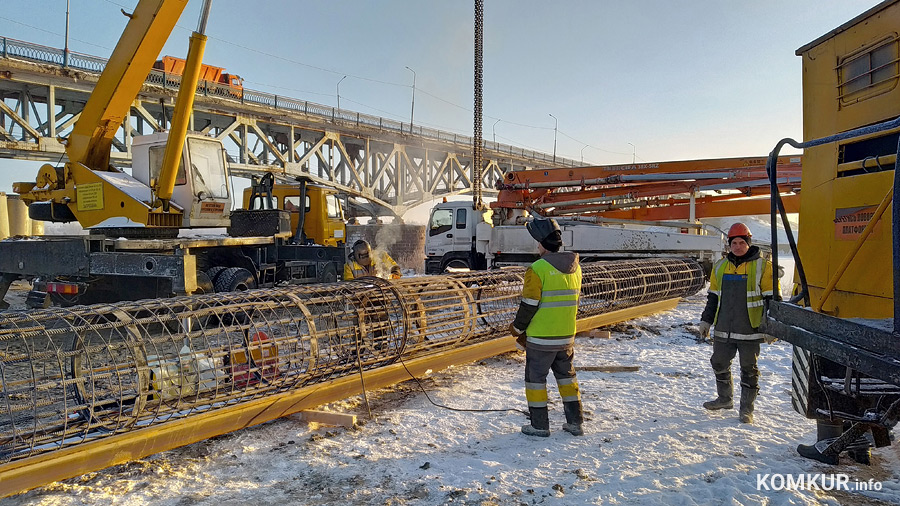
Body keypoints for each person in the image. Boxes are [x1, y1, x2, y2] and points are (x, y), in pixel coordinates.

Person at [509, 218, 584, 437]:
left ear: (542, 244)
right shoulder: (575, 268)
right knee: (567, 379)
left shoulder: (537, 269)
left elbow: (529, 305)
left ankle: (539, 425)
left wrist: (517, 329)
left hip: (541, 339)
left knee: (535, 381)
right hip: (566, 337)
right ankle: (575, 422)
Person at [699, 222, 777, 424]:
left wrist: (772, 326)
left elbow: (773, 301)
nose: (738, 246)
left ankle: (746, 409)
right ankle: (725, 399)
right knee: (718, 362)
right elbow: (713, 298)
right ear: (729, 244)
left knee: (749, 368)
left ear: (749, 243)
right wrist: (706, 320)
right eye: (734, 243)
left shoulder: (763, 267)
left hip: (750, 329)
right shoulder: (720, 267)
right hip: (724, 328)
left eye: (742, 242)